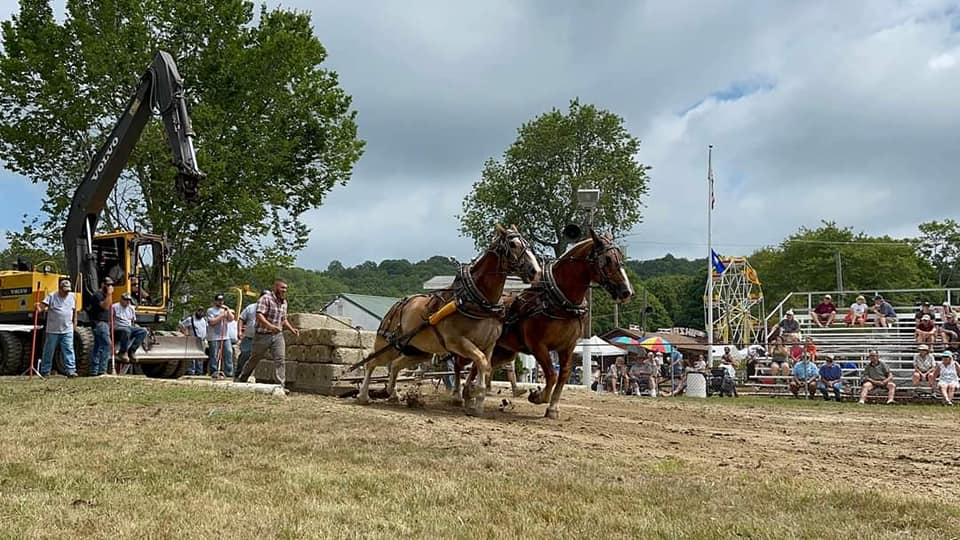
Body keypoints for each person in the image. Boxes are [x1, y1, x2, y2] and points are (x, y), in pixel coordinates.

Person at [236, 279, 300, 388]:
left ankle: (280, 385)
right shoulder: (265, 299)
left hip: (277, 336)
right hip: (262, 335)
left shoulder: (284, 302)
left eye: (285, 288)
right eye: (282, 288)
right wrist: (270, 326)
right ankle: (243, 377)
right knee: (255, 358)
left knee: (280, 359)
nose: (284, 290)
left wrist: (291, 329)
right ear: (275, 288)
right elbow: (259, 315)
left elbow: (283, 319)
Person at [36, 278, 78, 377]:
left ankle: (71, 370)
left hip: (67, 329)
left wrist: (75, 322)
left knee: (68, 349)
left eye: (68, 290)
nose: (67, 293)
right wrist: (38, 308)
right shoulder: (51, 296)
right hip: (53, 330)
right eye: (65, 290)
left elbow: (74, 310)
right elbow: (42, 307)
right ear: (60, 289)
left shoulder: (72, 296)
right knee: (49, 350)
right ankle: (45, 371)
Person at [236, 290, 269, 378]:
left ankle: (252, 376)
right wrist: (239, 331)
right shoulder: (251, 307)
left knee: (259, 358)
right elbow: (241, 318)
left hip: (263, 338)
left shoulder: (270, 309)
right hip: (249, 337)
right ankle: (239, 373)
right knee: (244, 355)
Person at [88, 277, 115, 376]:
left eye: (111, 285)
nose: (109, 287)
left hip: (105, 323)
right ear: (102, 284)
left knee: (98, 347)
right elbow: (105, 306)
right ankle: (102, 369)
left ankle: (94, 370)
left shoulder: (105, 295)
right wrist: (109, 294)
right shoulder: (97, 295)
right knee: (107, 345)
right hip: (99, 323)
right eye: (108, 284)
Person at [206, 293, 235, 379]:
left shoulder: (225, 310)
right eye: (219, 300)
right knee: (214, 354)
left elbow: (231, 319)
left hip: (225, 336)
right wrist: (221, 315)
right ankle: (214, 371)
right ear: (215, 301)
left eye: (222, 300)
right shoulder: (210, 310)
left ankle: (229, 372)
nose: (220, 302)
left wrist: (228, 310)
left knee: (229, 352)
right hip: (214, 336)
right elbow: (212, 322)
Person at [112, 293, 147, 362]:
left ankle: (132, 351)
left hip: (129, 327)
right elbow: (110, 319)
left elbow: (133, 321)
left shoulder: (131, 308)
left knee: (143, 331)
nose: (128, 302)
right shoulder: (114, 307)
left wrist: (135, 328)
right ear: (121, 300)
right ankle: (122, 352)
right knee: (126, 330)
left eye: (129, 300)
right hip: (118, 327)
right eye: (126, 300)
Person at [179, 308, 208, 376]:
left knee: (200, 357)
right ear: (196, 311)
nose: (200, 313)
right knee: (192, 357)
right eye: (199, 311)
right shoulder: (190, 319)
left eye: (202, 311)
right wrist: (185, 333)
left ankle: (199, 372)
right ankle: (191, 371)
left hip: (202, 341)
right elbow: (181, 325)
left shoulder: (204, 320)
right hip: (193, 340)